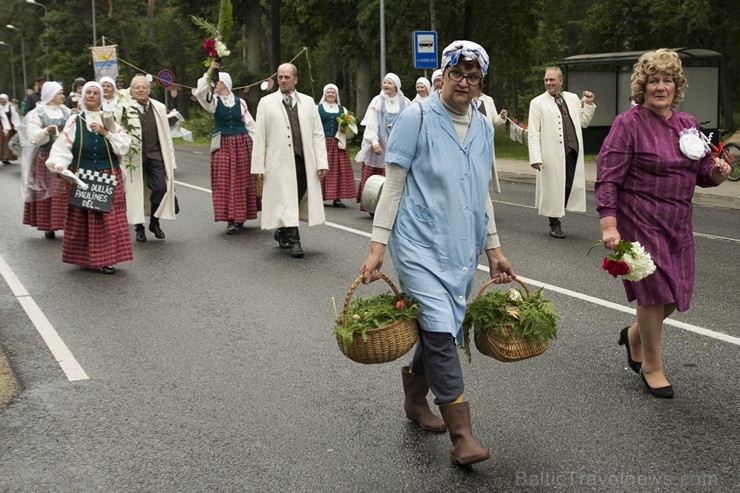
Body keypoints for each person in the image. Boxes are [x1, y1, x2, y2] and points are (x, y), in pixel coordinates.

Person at [360, 40, 515, 466]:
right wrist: (377, 248)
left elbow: (481, 193)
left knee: (441, 325)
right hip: (418, 244)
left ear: (481, 83)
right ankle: (462, 435)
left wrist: (494, 249)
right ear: (443, 75)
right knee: (441, 330)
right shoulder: (417, 117)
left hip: (461, 247)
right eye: (457, 74)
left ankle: (414, 399)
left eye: (473, 77)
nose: (464, 83)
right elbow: (392, 186)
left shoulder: (483, 126)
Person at [595, 49, 732, 399]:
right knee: (654, 295)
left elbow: (702, 172)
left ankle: (634, 335)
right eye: (653, 80)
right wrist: (609, 225)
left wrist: (717, 172)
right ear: (642, 86)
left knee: (677, 293)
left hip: (678, 223)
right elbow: (607, 177)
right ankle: (652, 367)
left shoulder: (687, 124)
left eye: (667, 80)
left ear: (676, 86)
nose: (660, 87)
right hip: (640, 220)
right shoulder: (628, 123)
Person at [46, 81, 133, 274]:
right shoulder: (75, 120)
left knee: (107, 218)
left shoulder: (109, 120)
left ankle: (107, 259)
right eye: (88, 93)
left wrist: (105, 133)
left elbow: (124, 145)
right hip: (82, 175)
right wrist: (58, 164)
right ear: (83, 97)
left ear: (101, 97)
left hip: (107, 173)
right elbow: (63, 145)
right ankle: (83, 257)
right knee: (82, 219)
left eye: (95, 93)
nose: (92, 96)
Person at [251, 63, 328, 258]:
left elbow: (318, 134)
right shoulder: (266, 103)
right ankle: (295, 240)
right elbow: (259, 136)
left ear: (295, 79)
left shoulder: (309, 102)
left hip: (303, 159)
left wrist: (322, 162)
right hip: (278, 162)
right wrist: (258, 166)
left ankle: (282, 230)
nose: (283, 80)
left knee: (299, 193)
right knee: (287, 195)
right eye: (280, 77)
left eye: (287, 77)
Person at [527, 66, 595, 238]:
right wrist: (535, 157)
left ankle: (557, 211)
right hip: (550, 153)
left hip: (572, 150)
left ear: (560, 81)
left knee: (568, 185)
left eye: (552, 80)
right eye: (546, 80)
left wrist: (588, 105)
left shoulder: (572, 98)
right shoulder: (537, 103)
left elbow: (583, 122)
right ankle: (554, 223)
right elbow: (533, 132)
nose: (548, 83)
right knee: (553, 187)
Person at [193, 62, 258, 234]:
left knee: (242, 180)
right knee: (224, 181)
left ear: (226, 84)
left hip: (242, 143)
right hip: (222, 144)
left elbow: (251, 125)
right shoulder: (213, 101)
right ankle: (230, 218)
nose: (215, 85)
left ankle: (240, 216)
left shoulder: (240, 102)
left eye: (218, 82)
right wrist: (210, 71)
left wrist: (260, 147)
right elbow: (200, 91)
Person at [124, 75, 179, 242]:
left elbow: (166, 136)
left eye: (144, 87)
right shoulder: (124, 108)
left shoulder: (159, 107)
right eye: (137, 87)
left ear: (149, 90)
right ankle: (139, 227)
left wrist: (171, 160)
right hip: (134, 158)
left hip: (156, 155)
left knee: (160, 188)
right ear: (131, 90)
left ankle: (154, 222)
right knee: (135, 193)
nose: (141, 90)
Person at [354, 73, 411, 214]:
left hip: (398, 144)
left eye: (389, 83)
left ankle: (395, 205)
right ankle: (373, 205)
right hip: (380, 144)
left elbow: (410, 122)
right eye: (384, 83)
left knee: (396, 174)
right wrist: (374, 142)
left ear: (396, 86)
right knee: (376, 177)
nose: (386, 85)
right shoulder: (377, 101)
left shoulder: (405, 102)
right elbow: (371, 123)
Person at [22, 82, 71, 238]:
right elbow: (33, 136)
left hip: (65, 156)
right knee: (48, 191)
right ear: (51, 95)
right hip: (46, 156)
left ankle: (67, 222)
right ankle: (49, 224)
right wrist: (45, 130)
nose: (63, 96)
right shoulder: (38, 113)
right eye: (60, 93)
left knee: (66, 190)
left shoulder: (67, 111)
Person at [317, 83, 356, 208]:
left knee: (339, 170)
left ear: (336, 94)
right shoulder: (318, 108)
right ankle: (318, 196)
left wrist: (345, 128)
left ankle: (337, 198)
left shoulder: (342, 110)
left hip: (338, 142)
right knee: (321, 167)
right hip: (323, 142)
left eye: (333, 92)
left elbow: (349, 125)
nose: (330, 94)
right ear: (324, 94)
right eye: (328, 92)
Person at [474, 89, 508, 193]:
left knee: (486, 170)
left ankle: (484, 192)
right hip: (472, 142)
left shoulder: (488, 100)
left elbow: (494, 122)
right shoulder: (467, 98)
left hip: (486, 142)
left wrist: (501, 117)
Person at [0, 93, 21, 164]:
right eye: (0, 99)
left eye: (3, 99)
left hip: (9, 126)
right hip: (1, 126)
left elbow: (15, 117)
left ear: (6, 100)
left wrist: (16, 126)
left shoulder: (10, 108)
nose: (1, 100)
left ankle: (6, 157)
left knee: (7, 143)